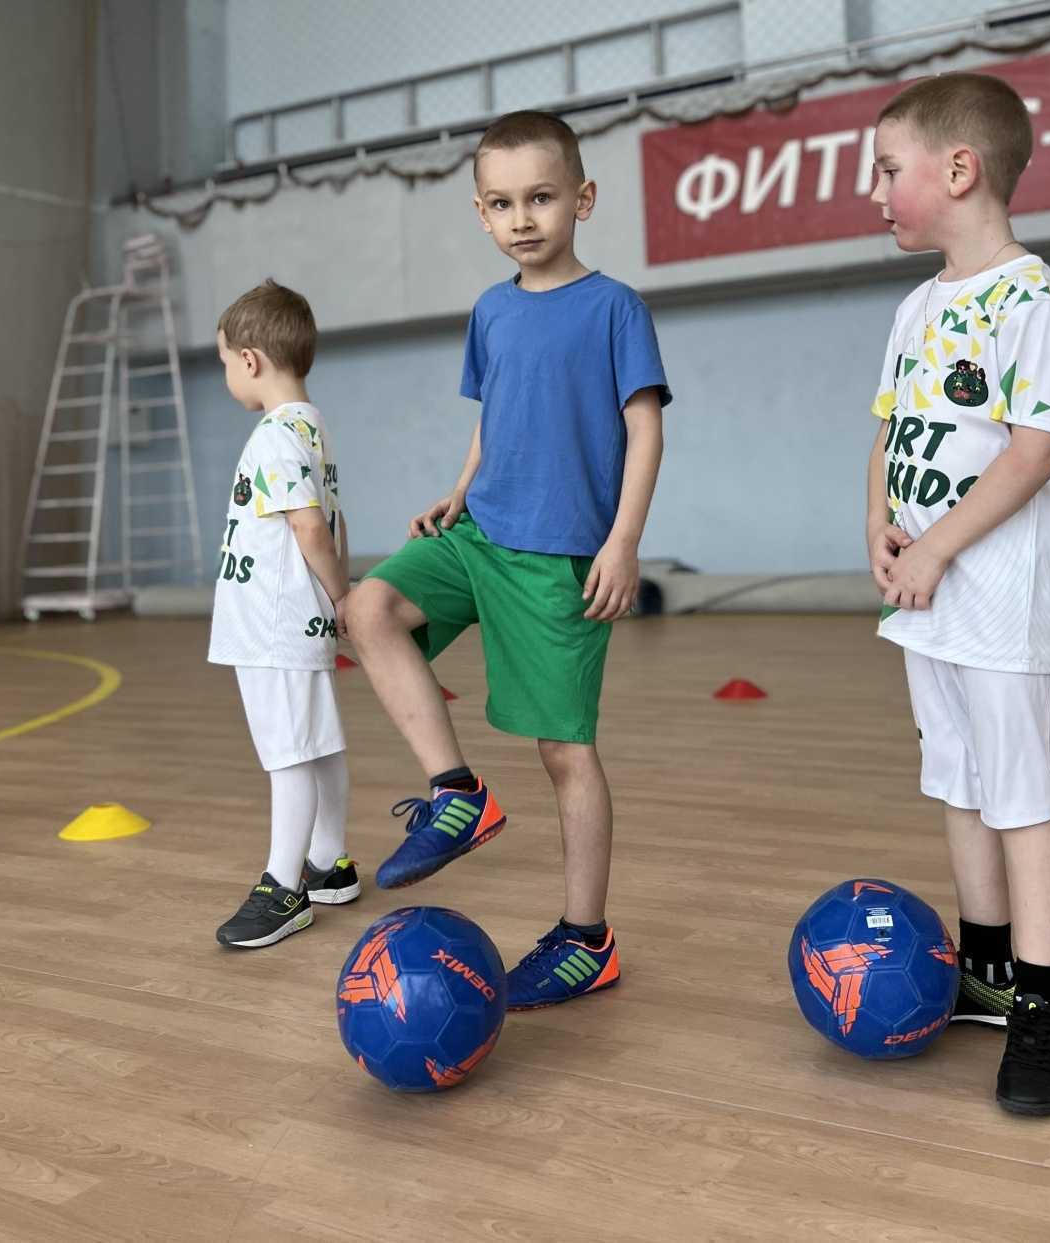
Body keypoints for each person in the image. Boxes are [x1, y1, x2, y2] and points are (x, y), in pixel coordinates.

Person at [345, 111, 671, 1011]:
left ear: (582, 199)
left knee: (565, 752)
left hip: (559, 558)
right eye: (502, 203)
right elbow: (495, 415)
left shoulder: (613, 307)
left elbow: (645, 428)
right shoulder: (490, 311)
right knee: (366, 607)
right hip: (480, 532)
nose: (522, 217)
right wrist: (459, 488)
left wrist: (623, 538)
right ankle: (458, 793)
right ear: (481, 215)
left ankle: (585, 937)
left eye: (540, 197)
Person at [865, 74, 1050, 1114]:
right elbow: (886, 430)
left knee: (1020, 793)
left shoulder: (1033, 304)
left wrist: (941, 549)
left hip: (1001, 596)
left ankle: (1046, 1007)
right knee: (955, 777)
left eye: (888, 170)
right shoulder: (917, 305)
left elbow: (1033, 453)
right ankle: (987, 966)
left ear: (959, 170)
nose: (877, 192)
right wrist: (883, 527)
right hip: (927, 594)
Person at [209, 279, 361, 948]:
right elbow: (335, 518)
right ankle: (329, 863)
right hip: (298, 619)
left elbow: (309, 527)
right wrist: (338, 595)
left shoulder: (275, 434)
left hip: (275, 622)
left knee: (289, 752)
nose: (226, 375)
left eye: (222, 361)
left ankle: (284, 885)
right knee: (316, 740)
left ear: (250, 359)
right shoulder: (312, 423)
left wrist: (341, 593)